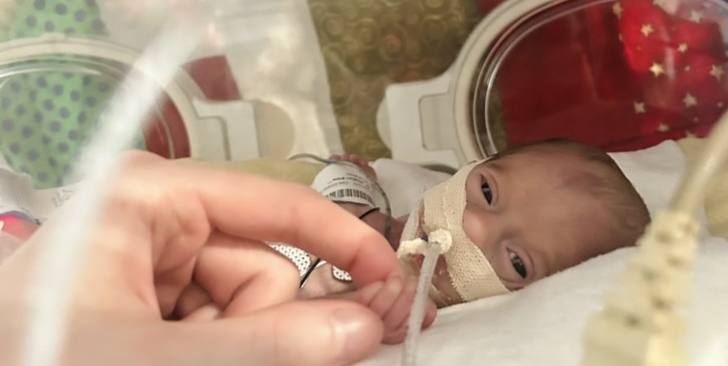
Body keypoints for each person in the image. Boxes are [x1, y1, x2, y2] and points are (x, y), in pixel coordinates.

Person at [0, 151, 434, 366]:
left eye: (507, 261)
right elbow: (335, 180)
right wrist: (355, 172)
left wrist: (385, 310)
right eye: (484, 191)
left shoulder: (406, 270)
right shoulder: (356, 205)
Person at [300, 138, 651, 307]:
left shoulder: (416, 318)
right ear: (473, 164)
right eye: (486, 189)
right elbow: (337, 187)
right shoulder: (366, 219)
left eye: (517, 261)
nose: (475, 225)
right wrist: (350, 174)